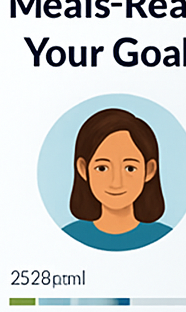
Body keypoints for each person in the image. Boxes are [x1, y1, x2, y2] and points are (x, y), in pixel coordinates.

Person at [62, 107, 171, 251]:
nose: (116, 183)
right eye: (102, 168)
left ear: (149, 170)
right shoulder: (68, 237)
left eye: (130, 168)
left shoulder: (166, 238)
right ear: (83, 169)